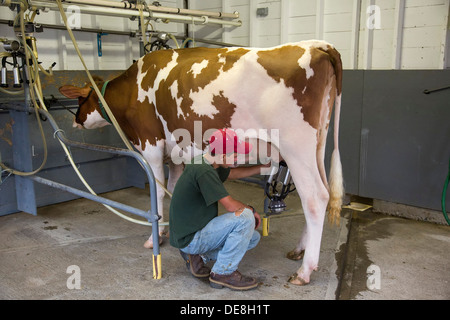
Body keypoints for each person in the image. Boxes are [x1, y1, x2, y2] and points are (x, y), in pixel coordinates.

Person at [169, 128, 267, 291]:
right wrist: (251, 209)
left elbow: (233, 174)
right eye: (235, 155)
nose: (239, 158)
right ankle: (223, 273)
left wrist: (264, 168)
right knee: (246, 218)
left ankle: (199, 257)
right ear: (222, 153)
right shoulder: (203, 170)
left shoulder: (209, 162)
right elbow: (229, 205)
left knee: (252, 238)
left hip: (193, 232)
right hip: (191, 238)